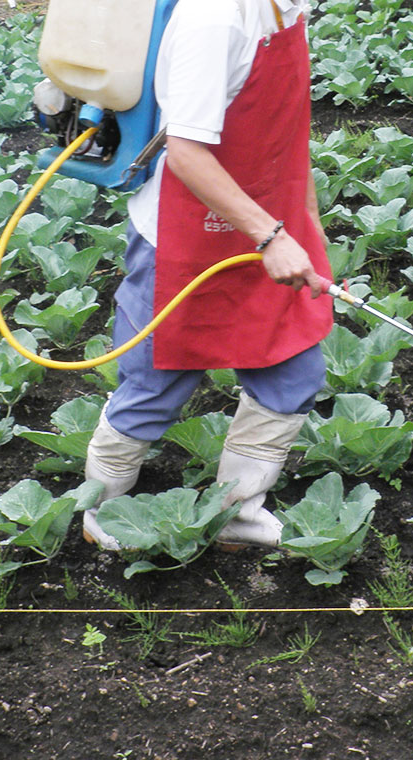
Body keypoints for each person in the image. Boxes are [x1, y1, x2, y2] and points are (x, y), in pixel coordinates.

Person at [82, 0, 333, 551]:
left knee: (291, 374)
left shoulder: (288, 9)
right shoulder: (214, 18)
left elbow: (288, 129)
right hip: (186, 233)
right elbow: (187, 153)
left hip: (269, 219)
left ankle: (236, 513)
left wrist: (306, 226)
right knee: (154, 386)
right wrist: (270, 237)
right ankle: (100, 510)